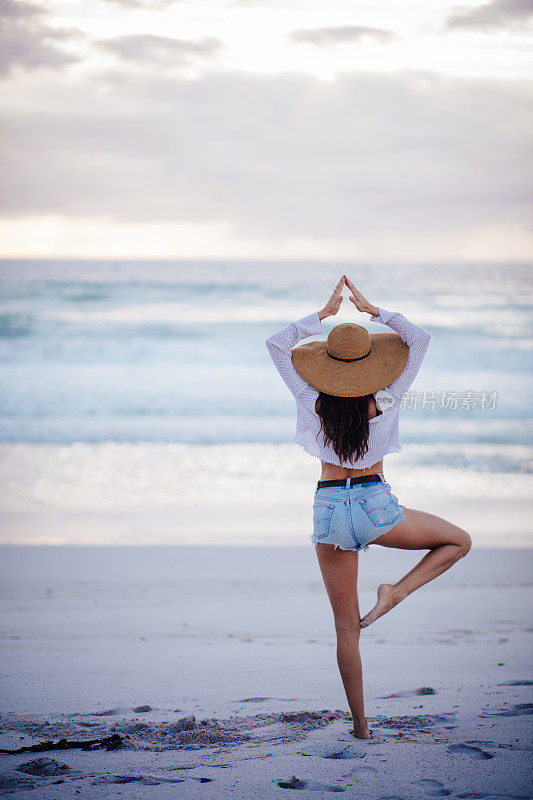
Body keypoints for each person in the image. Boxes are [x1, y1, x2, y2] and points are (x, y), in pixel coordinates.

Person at [265, 274, 471, 740]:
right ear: (370, 366)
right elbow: (418, 340)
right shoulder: (388, 397)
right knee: (459, 542)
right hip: (376, 503)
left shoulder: (309, 398)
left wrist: (322, 315)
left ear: (328, 367)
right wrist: (374, 311)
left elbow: (277, 346)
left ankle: (361, 727)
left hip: (330, 508)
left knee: (345, 629)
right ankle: (396, 593)